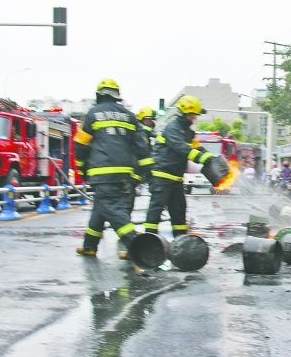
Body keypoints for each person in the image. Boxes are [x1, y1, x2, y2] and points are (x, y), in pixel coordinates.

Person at [74, 78, 154, 257]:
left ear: (99, 95)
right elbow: (141, 146)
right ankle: (90, 245)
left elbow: (80, 145)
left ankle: (138, 247)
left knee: (111, 207)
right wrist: (147, 172)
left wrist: (82, 169)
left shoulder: (93, 113)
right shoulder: (129, 116)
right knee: (101, 206)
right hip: (125, 173)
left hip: (101, 171)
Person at [144, 95, 228, 237]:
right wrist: (203, 159)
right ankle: (149, 239)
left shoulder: (189, 132)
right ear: (183, 113)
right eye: (191, 115)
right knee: (156, 209)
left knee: (179, 210)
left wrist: (212, 160)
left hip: (176, 178)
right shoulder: (172, 128)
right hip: (161, 176)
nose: (193, 118)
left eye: (195, 115)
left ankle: (180, 240)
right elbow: (181, 148)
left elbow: (198, 148)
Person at [126, 106, 158, 215]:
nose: (150, 122)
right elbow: (144, 155)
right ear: (141, 120)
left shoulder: (145, 134)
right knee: (127, 204)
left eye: (151, 120)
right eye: (148, 119)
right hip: (132, 174)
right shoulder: (140, 134)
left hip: (137, 174)